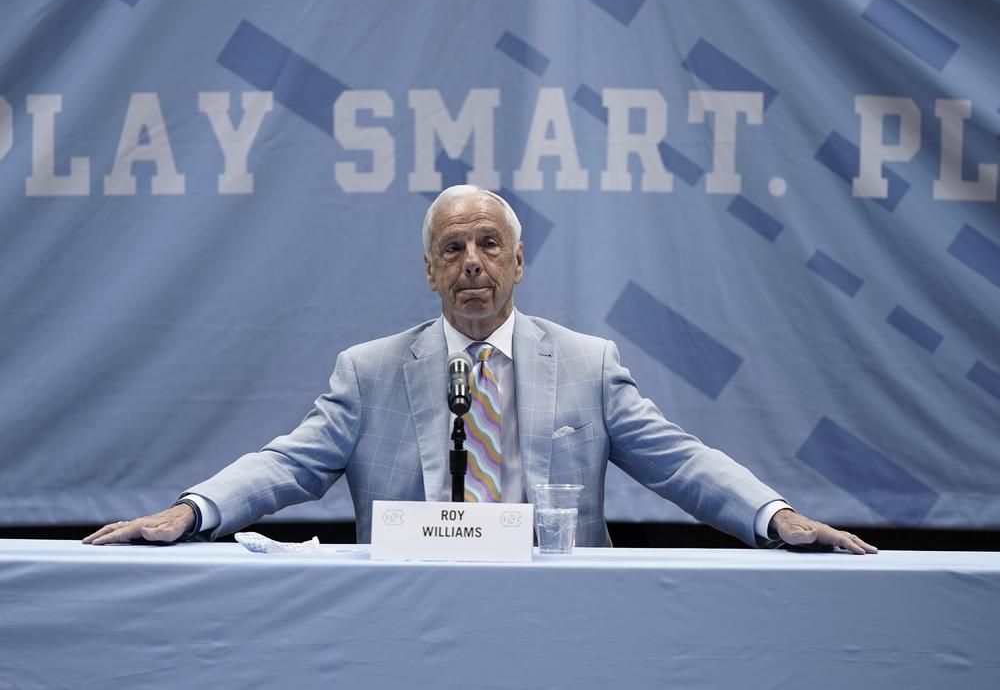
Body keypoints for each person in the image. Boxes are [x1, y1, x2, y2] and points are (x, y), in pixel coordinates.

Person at [85, 185, 876, 554]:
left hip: (566, 625)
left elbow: (684, 463)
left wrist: (777, 517)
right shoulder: (369, 370)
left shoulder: (587, 365)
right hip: (407, 622)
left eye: (489, 245)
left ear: (520, 262)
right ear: (428, 271)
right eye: (452, 249)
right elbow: (286, 464)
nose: (472, 263)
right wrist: (191, 511)